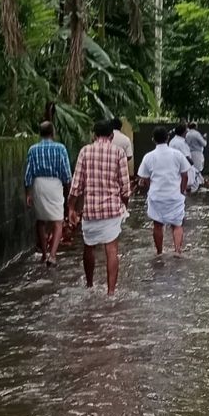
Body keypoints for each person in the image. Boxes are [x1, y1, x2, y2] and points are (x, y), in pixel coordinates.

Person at [68, 120, 130, 294]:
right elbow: (125, 188)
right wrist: (124, 206)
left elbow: (76, 184)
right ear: (111, 136)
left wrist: (71, 207)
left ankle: (89, 285)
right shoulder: (118, 152)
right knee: (112, 250)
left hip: (91, 209)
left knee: (89, 247)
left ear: (94, 135)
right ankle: (111, 292)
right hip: (112, 209)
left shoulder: (85, 152)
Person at [137, 126, 191, 257]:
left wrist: (151, 187)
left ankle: (159, 252)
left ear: (153, 139)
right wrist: (181, 191)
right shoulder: (177, 155)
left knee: (157, 224)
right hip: (174, 194)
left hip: (156, 196)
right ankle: (178, 250)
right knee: (177, 224)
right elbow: (185, 175)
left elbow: (144, 177)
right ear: (168, 138)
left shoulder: (148, 157)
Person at [24, 121, 73, 266]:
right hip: (54, 184)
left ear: (40, 133)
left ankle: (44, 254)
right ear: (53, 133)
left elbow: (28, 173)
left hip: (38, 184)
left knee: (40, 220)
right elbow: (66, 172)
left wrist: (28, 192)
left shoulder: (33, 149)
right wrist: (69, 188)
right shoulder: (60, 148)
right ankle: (53, 255)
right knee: (58, 221)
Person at [170, 124, 203, 193]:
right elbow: (186, 157)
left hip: (175, 167)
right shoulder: (181, 143)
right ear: (184, 132)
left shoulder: (172, 141)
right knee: (189, 185)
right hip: (184, 167)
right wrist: (192, 165)